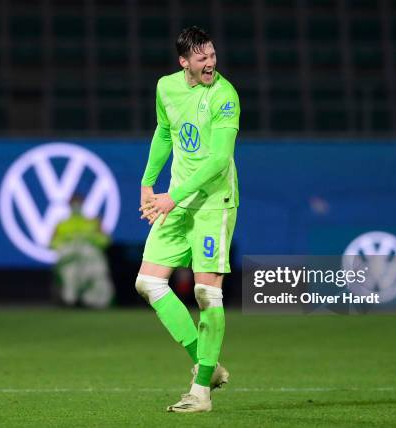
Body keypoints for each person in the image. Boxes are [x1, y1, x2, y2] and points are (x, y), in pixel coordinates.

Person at [136, 26, 240, 413]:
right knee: (148, 282)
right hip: (176, 201)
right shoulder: (167, 88)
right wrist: (149, 184)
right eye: (202, 58)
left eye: (212, 55)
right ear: (185, 62)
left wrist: (171, 197)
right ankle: (206, 363)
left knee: (205, 293)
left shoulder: (225, 96)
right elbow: (164, 132)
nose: (210, 62)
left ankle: (200, 393)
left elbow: (217, 161)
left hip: (215, 203)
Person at [50, 195, 114, 308]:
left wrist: (89, 239)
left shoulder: (93, 222)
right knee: (70, 275)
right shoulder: (61, 224)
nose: (76, 205)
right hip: (70, 259)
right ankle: (70, 302)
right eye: (73, 202)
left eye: (78, 202)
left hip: (89, 258)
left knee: (96, 274)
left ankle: (94, 303)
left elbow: (105, 240)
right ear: (69, 205)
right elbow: (52, 243)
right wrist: (69, 243)